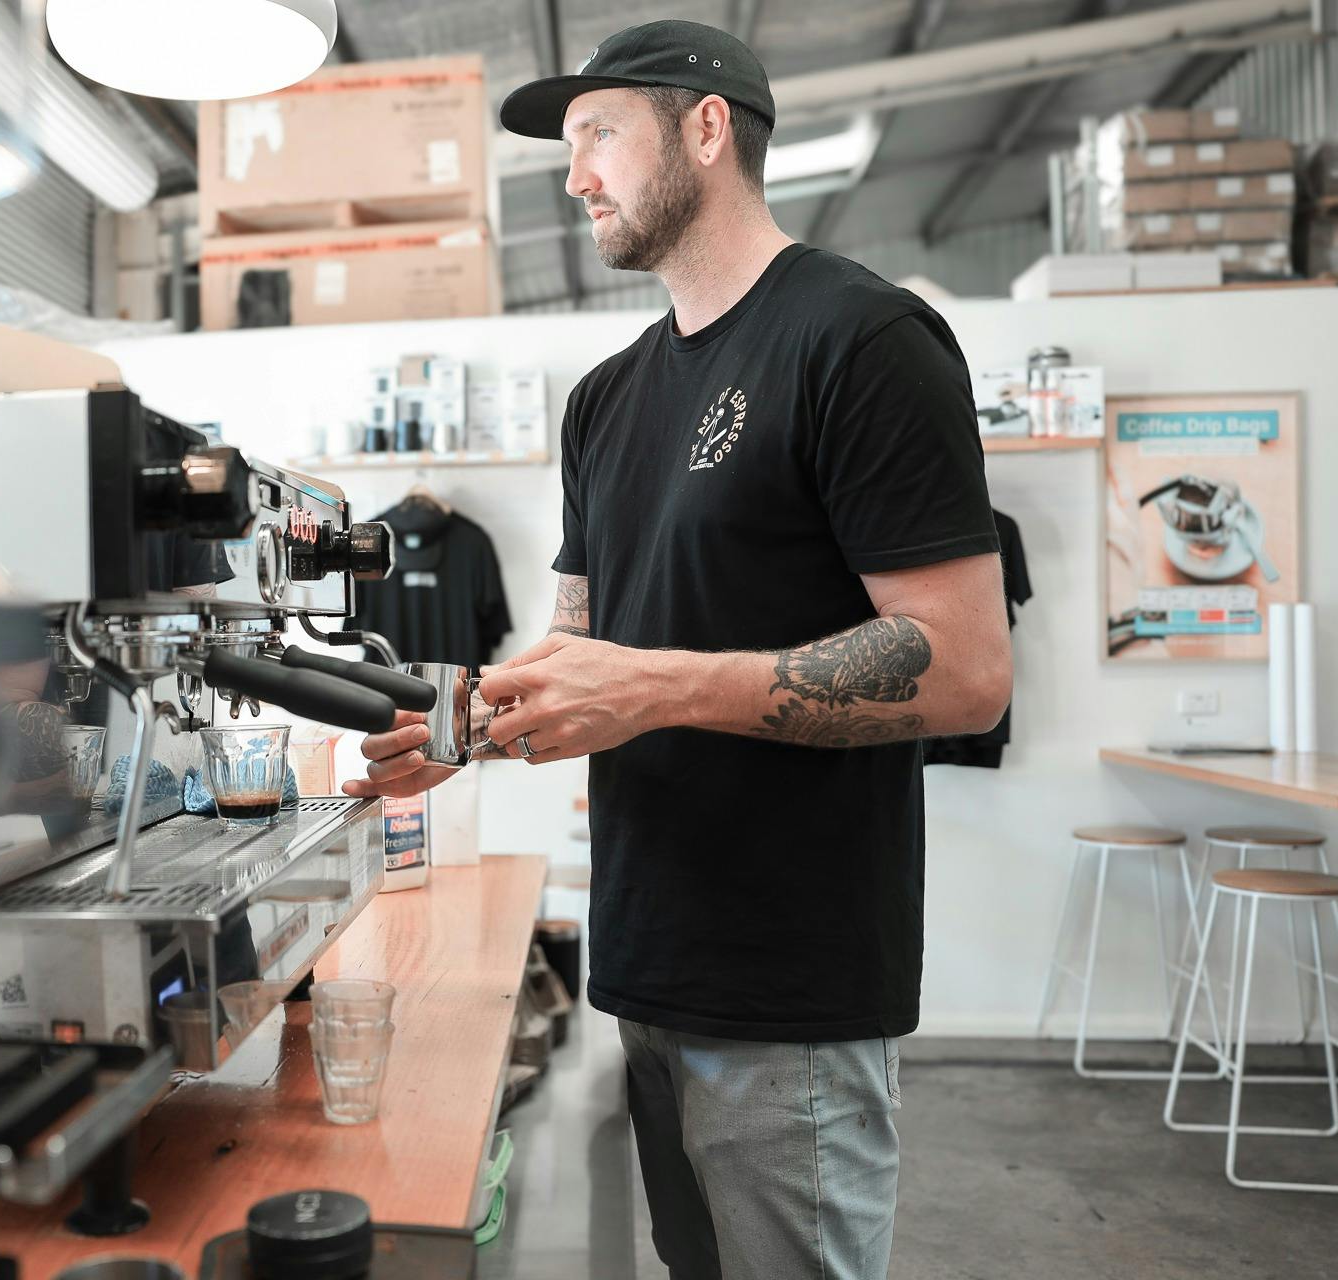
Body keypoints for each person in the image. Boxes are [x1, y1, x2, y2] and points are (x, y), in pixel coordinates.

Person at [342, 19, 1012, 1280]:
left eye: (597, 133)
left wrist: (651, 687)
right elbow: (578, 644)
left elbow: (966, 667)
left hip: (791, 981)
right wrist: (464, 723)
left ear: (707, 130)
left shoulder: (862, 340)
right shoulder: (605, 398)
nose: (575, 172)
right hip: (646, 948)